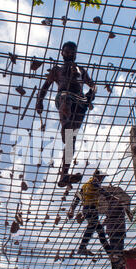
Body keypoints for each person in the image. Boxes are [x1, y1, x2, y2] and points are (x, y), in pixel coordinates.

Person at [36, 41, 97, 187]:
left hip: (80, 101)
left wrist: (91, 94)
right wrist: (39, 101)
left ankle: (64, 174)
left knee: (71, 140)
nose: (70, 54)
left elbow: (93, 85)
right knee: (65, 99)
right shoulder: (56, 70)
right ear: (62, 52)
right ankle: (65, 124)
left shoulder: (81, 70)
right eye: (67, 51)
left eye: (72, 52)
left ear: (76, 54)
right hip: (65, 96)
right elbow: (45, 87)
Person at [68, 170, 112, 256]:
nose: (102, 179)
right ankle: (82, 248)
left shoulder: (85, 185)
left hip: (86, 209)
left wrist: (72, 209)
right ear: (98, 176)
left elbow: (78, 197)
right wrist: (110, 197)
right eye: (102, 177)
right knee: (93, 228)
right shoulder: (95, 181)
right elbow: (101, 189)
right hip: (91, 209)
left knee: (98, 229)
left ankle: (109, 252)